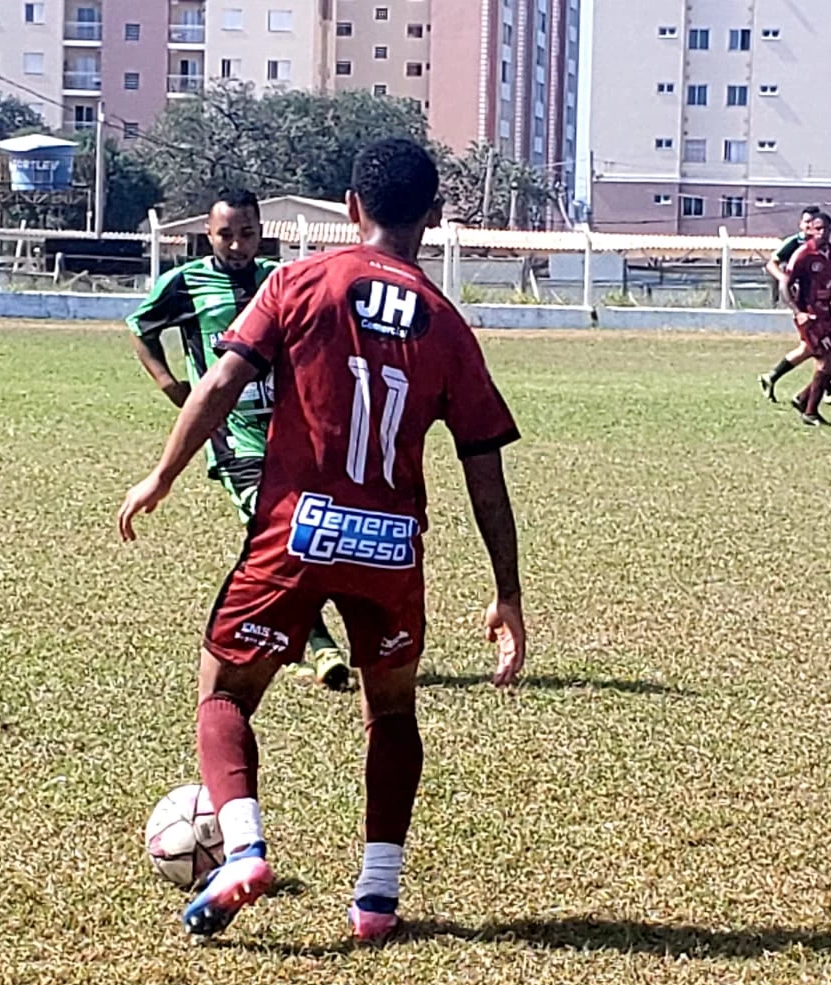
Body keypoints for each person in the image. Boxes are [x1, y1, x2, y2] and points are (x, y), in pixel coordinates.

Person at [118, 137, 526, 942]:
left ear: (350, 208)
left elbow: (222, 381)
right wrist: (507, 591)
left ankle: (242, 852)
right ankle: (376, 899)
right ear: (434, 218)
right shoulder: (446, 323)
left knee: (225, 690)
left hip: (296, 531)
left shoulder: (298, 281)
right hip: (389, 546)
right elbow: (484, 471)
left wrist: (162, 475)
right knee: (393, 711)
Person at [128, 189, 350, 690]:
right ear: (208, 234)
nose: (236, 244)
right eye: (225, 234)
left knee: (306, 534)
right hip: (232, 435)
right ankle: (318, 647)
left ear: (260, 234)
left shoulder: (280, 279)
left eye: (246, 233)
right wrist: (167, 382)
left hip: (290, 431)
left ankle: (288, 637)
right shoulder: (185, 283)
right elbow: (141, 328)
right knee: (274, 530)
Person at [758, 205, 831, 406]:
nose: (819, 230)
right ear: (805, 226)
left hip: (825, 311)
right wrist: (788, 286)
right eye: (811, 224)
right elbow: (772, 264)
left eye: (825, 227)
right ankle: (810, 404)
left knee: (817, 351)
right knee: (824, 354)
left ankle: (775, 379)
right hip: (807, 311)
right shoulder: (797, 245)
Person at [785, 211, 831, 427]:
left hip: (826, 313)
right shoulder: (803, 254)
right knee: (826, 361)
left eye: (826, 229)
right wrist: (798, 312)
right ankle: (810, 412)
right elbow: (785, 284)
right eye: (818, 229)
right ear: (811, 230)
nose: (822, 233)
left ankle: (803, 398)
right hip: (810, 316)